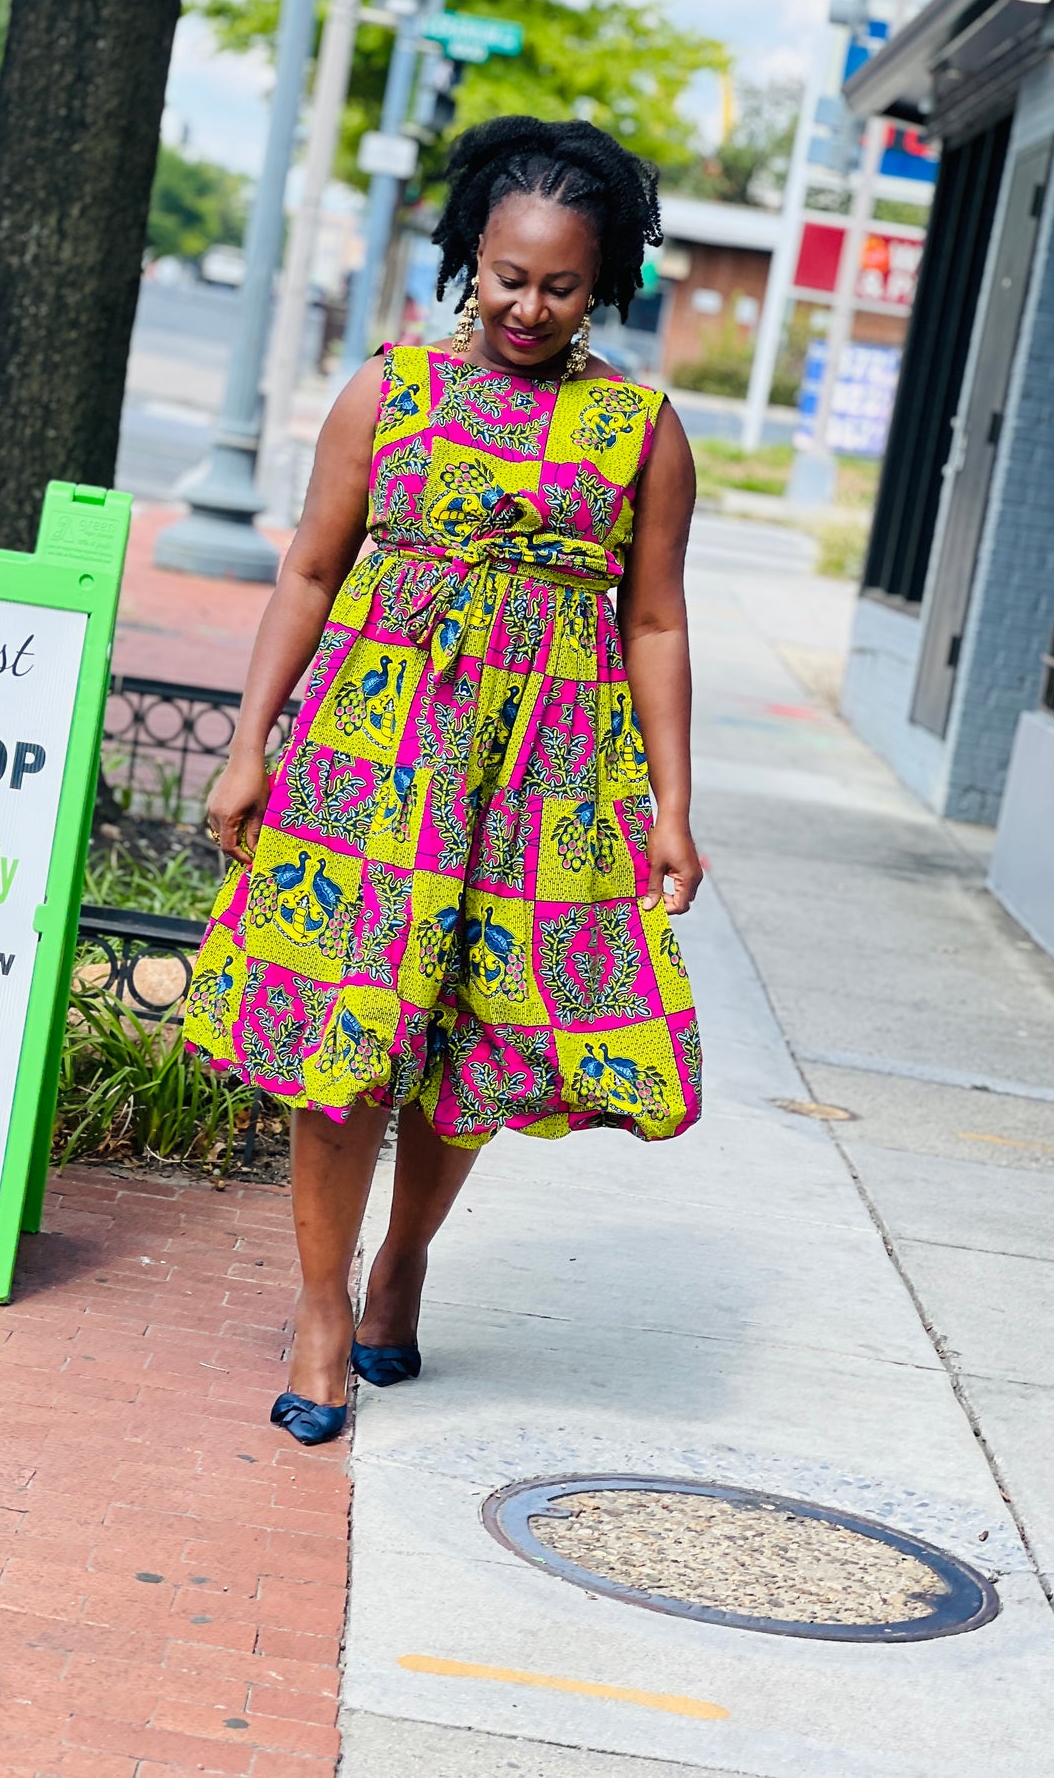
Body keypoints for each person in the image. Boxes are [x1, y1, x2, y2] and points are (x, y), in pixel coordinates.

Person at [185, 116, 703, 1446]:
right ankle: (318, 1306)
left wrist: (671, 807)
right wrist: (248, 747)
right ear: (466, 260)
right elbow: (306, 569)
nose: (526, 305)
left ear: (605, 285)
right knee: (344, 1051)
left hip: (541, 778)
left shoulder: (640, 432)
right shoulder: (388, 392)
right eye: (505, 274)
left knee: (471, 1045)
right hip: (371, 766)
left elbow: (653, 622)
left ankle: (400, 1261)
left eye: (560, 283)